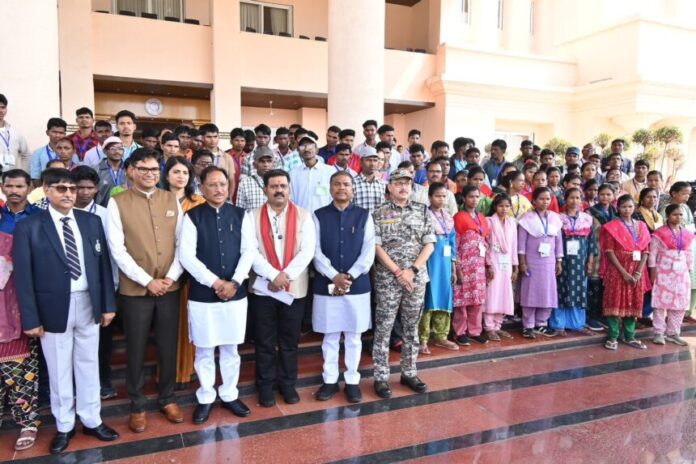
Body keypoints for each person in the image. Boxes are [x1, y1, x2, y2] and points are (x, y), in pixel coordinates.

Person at [13, 168, 119, 454]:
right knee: (59, 369)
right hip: (52, 308)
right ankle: (64, 425)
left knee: (88, 364)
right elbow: (23, 277)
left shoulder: (90, 221)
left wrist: (108, 305)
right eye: (61, 188)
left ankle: (92, 419)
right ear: (46, 191)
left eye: (72, 189)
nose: (69, 194)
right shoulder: (30, 226)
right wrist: (31, 318)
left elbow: (103, 266)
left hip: (88, 303)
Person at [105, 148, 184, 433]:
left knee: (168, 345)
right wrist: (147, 280)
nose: (150, 174)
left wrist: (170, 277)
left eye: (154, 169)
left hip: (170, 287)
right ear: (131, 170)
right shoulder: (117, 202)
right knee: (136, 348)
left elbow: (182, 243)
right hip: (135, 291)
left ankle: (167, 398)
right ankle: (137, 405)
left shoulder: (171, 198)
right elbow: (117, 249)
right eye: (143, 168)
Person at [178, 166, 256, 423]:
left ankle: (230, 394)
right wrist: (215, 283)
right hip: (203, 294)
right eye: (212, 185)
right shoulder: (192, 216)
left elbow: (249, 251)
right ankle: (206, 396)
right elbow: (186, 256)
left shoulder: (241, 215)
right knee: (204, 348)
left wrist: (234, 282)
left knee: (231, 348)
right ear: (202, 187)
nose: (219, 189)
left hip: (236, 292)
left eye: (223, 184)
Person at [249, 169, 315, 407]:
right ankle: (265, 386)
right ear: (265, 189)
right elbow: (250, 251)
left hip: (293, 288)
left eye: (283, 186)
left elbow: (307, 251)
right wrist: (272, 275)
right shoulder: (251, 216)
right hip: (262, 288)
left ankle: (287, 384)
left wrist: (285, 276)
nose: (279, 190)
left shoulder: (304, 216)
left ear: (289, 189)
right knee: (264, 340)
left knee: (289, 341)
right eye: (274, 186)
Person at [312, 171, 374, 402]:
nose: (341, 188)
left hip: (356, 285)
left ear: (353, 189)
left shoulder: (364, 215)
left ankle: (352, 380)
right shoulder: (318, 215)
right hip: (326, 284)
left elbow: (368, 251)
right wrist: (333, 275)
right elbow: (315, 250)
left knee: (354, 336)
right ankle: (329, 380)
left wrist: (349, 276)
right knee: (330, 336)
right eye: (337, 184)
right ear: (330, 188)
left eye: (346, 184)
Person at [372, 168, 434, 399]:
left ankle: (409, 372)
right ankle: (381, 376)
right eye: (398, 183)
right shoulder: (379, 212)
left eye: (407, 183)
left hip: (415, 278)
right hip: (388, 279)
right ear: (389, 187)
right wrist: (399, 272)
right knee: (384, 327)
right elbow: (376, 247)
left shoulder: (422, 210)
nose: (403, 187)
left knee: (411, 327)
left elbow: (429, 244)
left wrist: (412, 270)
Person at [0, 169, 42, 451]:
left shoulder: (39, 218)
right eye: (9, 186)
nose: (14, 190)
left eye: (19, 186)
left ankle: (27, 421)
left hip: (23, 297)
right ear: (3, 187)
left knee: (23, 365)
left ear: (29, 187)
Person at [71, 166, 120, 400]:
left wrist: (113, 285)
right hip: (73, 287)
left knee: (103, 339)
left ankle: (104, 379)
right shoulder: (62, 214)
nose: (83, 192)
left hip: (103, 286)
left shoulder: (105, 214)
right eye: (79, 187)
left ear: (97, 189)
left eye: (89, 188)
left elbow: (113, 253)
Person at [161, 156, 206, 387]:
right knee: (168, 325)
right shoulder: (158, 200)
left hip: (192, 273)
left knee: (190, 322)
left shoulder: (199, 202)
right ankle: (168, 373)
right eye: (176, 172)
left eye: (185, 173)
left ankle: (189, 370)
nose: (181, 176)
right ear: (166, 175)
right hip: (163, 271)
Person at [600, 194, 650, 350]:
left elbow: (646, 251)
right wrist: (624, 273)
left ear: (634, 207)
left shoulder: (642, 226)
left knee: (634, 302)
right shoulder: (612, 226)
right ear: (618, 208)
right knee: (614, 301)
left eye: (630, 206)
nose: (627, 210)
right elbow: (609, 251)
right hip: (617, 270)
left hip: (637, 270)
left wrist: (638, 272)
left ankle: (630, 336)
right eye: (623, 207)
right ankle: (613, 336)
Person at [518, 187, 563, 339]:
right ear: (534, 201)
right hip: (532, 262)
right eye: (541, 199)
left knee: (547, 292)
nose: (545, 202)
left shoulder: (555, 218)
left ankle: (541, 323)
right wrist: (522, 262)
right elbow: (521, 244)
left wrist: (559, 261)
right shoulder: (526, 219)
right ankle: (528, 325)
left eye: (547, 199)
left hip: (549, 262)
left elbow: (558, 242)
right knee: (530, 292)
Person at [550, 188, 596, 335]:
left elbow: (591, 242)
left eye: (577, 198)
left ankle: (577, 324)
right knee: (561, 290)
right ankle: (559, 324)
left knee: (579, 291)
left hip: (581, 262)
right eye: (571, 197)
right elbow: (554, 241)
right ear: (565, 199)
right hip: (563, 261)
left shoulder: (587, 219)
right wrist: (557, 260)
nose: (574, 201)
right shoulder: (558, 219)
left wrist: (590, 262)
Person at [419, 183, 458, 354]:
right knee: (428, 297)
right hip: (430, 261)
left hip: (445, 263)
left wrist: (453, 268)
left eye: (444, 196)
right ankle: (423, 339)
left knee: (444, 296)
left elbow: (452, 243)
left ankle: (442, 336)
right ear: (429, 197)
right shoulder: (424, 216)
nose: (441, 199)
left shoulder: (448, 218)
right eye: (437, 196)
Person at [649, 204, 693, 346]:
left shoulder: (686, 234)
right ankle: (658, 333)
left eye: (680, 215)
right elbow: (652, 254)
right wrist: (652, 272)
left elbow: (689, 254)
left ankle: (673, 333)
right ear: (668, 216)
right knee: (660, 304)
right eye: (675, 214)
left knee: (679, 304)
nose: (678, 217)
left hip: (681, 274)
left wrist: (688, 271)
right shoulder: (659, 233)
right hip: (663, 272)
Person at [452, 185, 489, 345]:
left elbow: (486, 242)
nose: (474, 200)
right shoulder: (458, 217)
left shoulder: (482, 217)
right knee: (461, 300)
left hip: (479, 266)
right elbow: (455, 244)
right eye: (471, 196)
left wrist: (489, 265)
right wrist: (457, 268)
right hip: (464, 266)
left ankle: (475, 331)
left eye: (477, 196)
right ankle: (459, 332)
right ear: (464, 198)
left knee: (477, 299)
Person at [659, 181, 696, 322]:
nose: (687, 196)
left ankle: (687, 311)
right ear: (674, 193)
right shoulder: (666, 208)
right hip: (671, 249)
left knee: (691, 278)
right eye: (684, 193)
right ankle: (667, 314)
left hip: (688, 244)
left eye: (688, 194)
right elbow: (663, 227)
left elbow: (690, 225)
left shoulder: (686, 208)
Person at [483, 194, 518, 341]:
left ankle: (498, 326)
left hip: (506, 263)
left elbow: (514, 245)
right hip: (493, 261)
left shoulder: (512, 222)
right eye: (501, 206)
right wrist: (488, 265)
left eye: (507, 206)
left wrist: (515, 267)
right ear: (495, 207)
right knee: (492, 294)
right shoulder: (489, 221)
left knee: (504, 293)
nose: (504, 209)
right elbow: (485, 244)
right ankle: (489, 327)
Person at [586, 184, 618, 331]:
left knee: (607, 286)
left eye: (608, 194)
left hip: (611, 252)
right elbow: (588, 235)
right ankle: (591, 316)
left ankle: (602, 315)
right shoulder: (590, 212)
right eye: (602, 194)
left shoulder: (616, 212)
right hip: (596, 250)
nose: (605, 197)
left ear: (613, 196)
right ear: (598, 195)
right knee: (594, 284)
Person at [289, 135, 334, 212]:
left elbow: (333, 196)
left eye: (310, 146)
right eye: (302, 146)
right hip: (301, 216)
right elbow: (291, 198)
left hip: (324, 216)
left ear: (317, 150)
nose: (306, 149)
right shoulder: (293, 173)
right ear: (298, 151)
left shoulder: (330, 171)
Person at [30, 118, 69, 182]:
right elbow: (35, 177)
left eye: (61, 133)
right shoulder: (38, 153)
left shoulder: (70, 153)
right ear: (47, 132)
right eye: (54, 132)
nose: (57, 135)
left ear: (65, 134)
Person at [237, 147, 274, 211]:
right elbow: (239, 210)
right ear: (254, 165)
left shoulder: (279, 183)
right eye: (262, 161)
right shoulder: (244, 183)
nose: (266, 165)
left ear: (273, 164)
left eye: (269, 161)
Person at [0, 94, 30, 173]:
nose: (0, 110)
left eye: (3, 107)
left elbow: (27, 155)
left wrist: (24, 174)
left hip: (12, 178)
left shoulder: (14, 132)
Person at [352, 146, 387, 213]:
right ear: (361, 162)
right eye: (368, 160)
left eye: (375, 160)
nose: (372, 164)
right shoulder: (353, 183)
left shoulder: (383, 184)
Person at [95, 136, 128, 206]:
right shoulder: (97, 169)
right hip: (103, 209)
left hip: (124, 208)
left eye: (120, 149)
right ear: (105, 151)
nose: (117, 152)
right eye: (113, 149)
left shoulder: (129, 169)